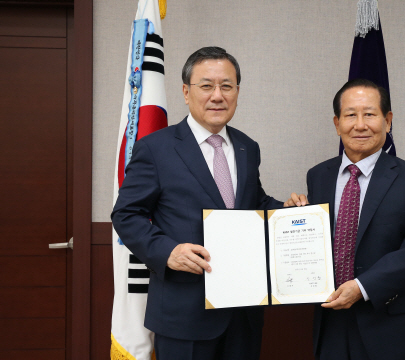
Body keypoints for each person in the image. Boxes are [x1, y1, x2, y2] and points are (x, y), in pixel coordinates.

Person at [112, 46, 286, 360]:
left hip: (243, 311)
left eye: (226, 86)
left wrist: (289, 212)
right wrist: (168, 251)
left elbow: (253, 203)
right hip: (183, 314)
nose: (217, 95)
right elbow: (126, 214)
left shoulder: (248, 147)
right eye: (206, 86)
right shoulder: (156, 148)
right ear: (186, 92)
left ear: (237, 92)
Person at [289, 78, 405, 360]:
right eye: (350, 115)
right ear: (337, 123)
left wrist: (362, 287)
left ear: (388, 120)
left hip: (389, 323)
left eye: (369, 114)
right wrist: (293, 217)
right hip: (330, 318)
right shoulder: (318, 175)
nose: (359, 125)